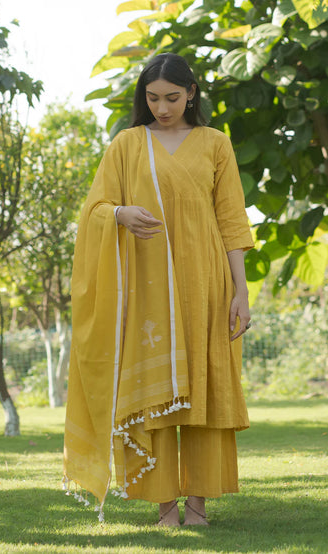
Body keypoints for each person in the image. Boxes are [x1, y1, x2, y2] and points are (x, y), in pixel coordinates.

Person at [63, 53, 254, 526]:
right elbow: (95, 208)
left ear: (191, 93)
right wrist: (119, 214)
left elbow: (232, 221)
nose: (162, 108)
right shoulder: (127, 144)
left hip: (206, 282)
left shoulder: (215, 143)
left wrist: (241, 292)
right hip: (147, 287)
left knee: (204, 390)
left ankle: (198, 505)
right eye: (152, 98)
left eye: (172, 97)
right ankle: (165, 503)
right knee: (157, 390)